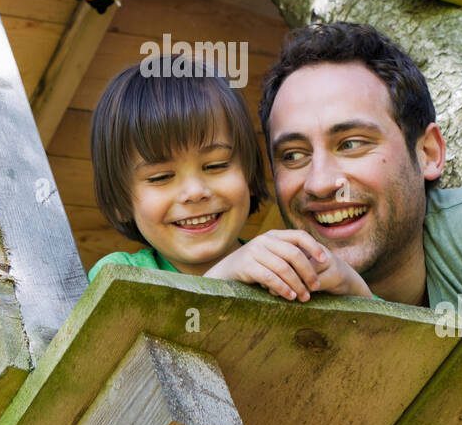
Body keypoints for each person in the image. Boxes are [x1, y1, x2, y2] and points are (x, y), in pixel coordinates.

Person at [258, 21, 462, 308]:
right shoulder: (269, 287)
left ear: (428, 152)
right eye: (294, 155)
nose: (319, 183)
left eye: (351, 144)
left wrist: (367, 310)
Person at [87, 59, 372, 299]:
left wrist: (356, 290)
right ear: (119, 201)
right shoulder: (118, 275)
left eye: (215, 166)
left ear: (248, 174)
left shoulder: (286, 267)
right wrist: (222, 279)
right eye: (161, 177)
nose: (195, 192)